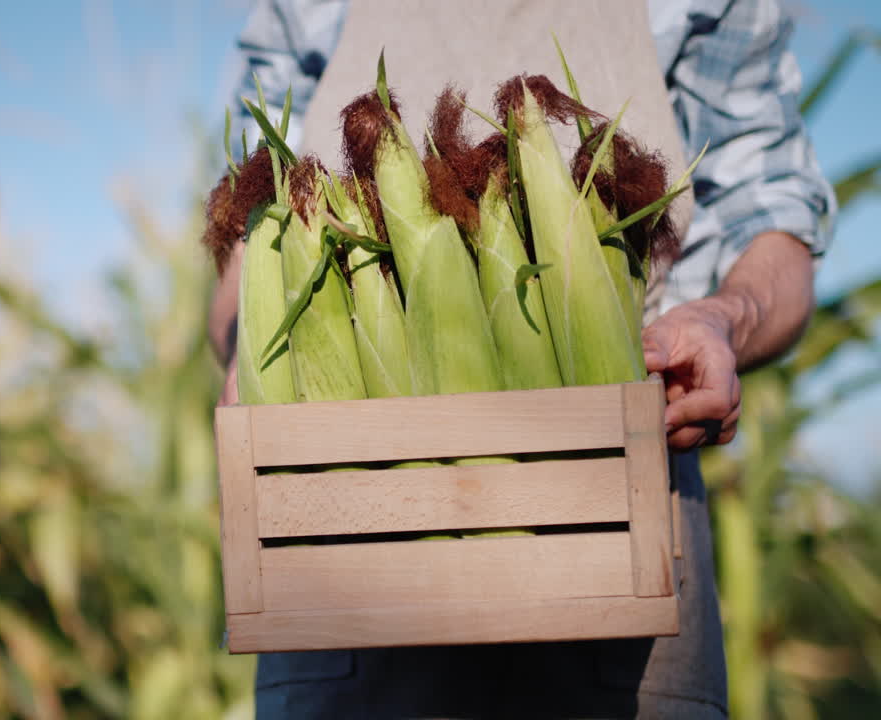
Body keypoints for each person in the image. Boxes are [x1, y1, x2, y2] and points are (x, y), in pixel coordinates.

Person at [207, 0, 836, 717]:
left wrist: (725, 319)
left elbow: (775, 215)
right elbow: (249, 222)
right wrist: (250, 353)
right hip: (335, 540)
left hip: (621, 508)